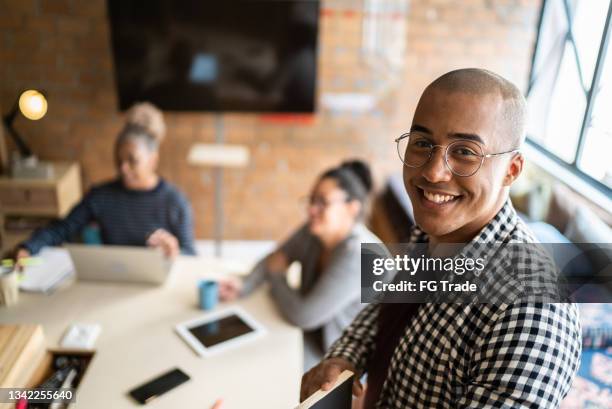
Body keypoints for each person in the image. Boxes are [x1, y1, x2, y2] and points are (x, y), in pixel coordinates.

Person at [300, 69, 581, 408]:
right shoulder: (430, 234)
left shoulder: (532, 312)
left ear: (512, 170)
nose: (433, 172)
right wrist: (344, 357)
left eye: (464, 151)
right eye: (422, 144)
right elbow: (383, 310)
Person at [219, 160, 382, 369]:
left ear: (351, 209)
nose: (312, 210)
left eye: (322, 202)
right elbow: (276, 257)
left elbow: (304, 316)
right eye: (312, 200)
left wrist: (277, 277)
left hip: (338, 360)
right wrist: (244, 285)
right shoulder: (314, 230)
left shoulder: (360, 256)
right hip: (310, 336)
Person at [13, 102, 196, 261]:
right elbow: (61, 229)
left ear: (153, 160)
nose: (123, 168)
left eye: (132, 161)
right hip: (113, 283)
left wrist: (174, 252)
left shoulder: (175, 202)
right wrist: (27, 248)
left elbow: (192, 256)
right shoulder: (101, 196)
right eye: (119, 160)